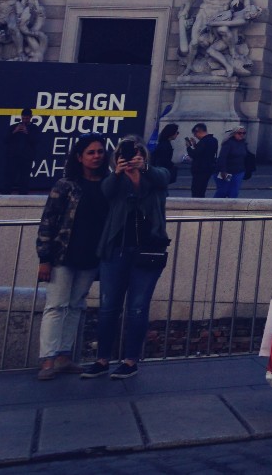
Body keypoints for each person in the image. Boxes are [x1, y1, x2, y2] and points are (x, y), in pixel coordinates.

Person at [93, 136, 172, 378]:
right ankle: (102, 359)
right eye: (125, 155)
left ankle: (130, 361)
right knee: (108, 307)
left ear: (145, 156)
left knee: (137, 308)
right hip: (115, 249)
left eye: (137, 153)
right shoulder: (114, 180)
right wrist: (117, 173)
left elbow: (162, 179)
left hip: (146, 251)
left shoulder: (155, 176)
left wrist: (142, 170)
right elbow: (105, 192)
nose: (130, 158)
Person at [34, 134, 110, 380]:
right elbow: (48, 221)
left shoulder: (108, 184)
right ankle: (47, 359)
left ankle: (64, 356)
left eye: (99, 151)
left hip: (91, 256)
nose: (96, 156)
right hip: (62, 255)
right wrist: (44, 258)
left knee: (76, 305)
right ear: (79, 157)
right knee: (56, 305)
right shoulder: (65, 184)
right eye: (91, 152)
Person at [214, 126, 251, 197]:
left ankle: (232, 207)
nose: (242, 135)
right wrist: (223, 171)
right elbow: (222, 158)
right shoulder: (228, 143)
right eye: (239, 133)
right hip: (227, 172)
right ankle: (214, 206)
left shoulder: (243, 143)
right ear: (234, 133)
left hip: (239, 171)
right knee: (223, 191)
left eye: (244, 133)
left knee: (234, 192)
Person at [185, 124, 217, 198]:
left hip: (199, 169)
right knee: (202, 189)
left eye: (195, 134)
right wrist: (196, 145)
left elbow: (194, 154)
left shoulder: (203, 142)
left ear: (198, 131)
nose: (195, 136)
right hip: (208, 168)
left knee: (196, 190)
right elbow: (205, 152)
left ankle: (196, 205)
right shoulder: (213, 140)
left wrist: (188, 147)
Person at [149, 123, 180, 189]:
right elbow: (164, 160)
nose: (177, 134)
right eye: (177, 132)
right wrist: (172, 165)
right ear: (171, 133)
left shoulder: (163, 143)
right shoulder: (166, 145)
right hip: (161, 171)